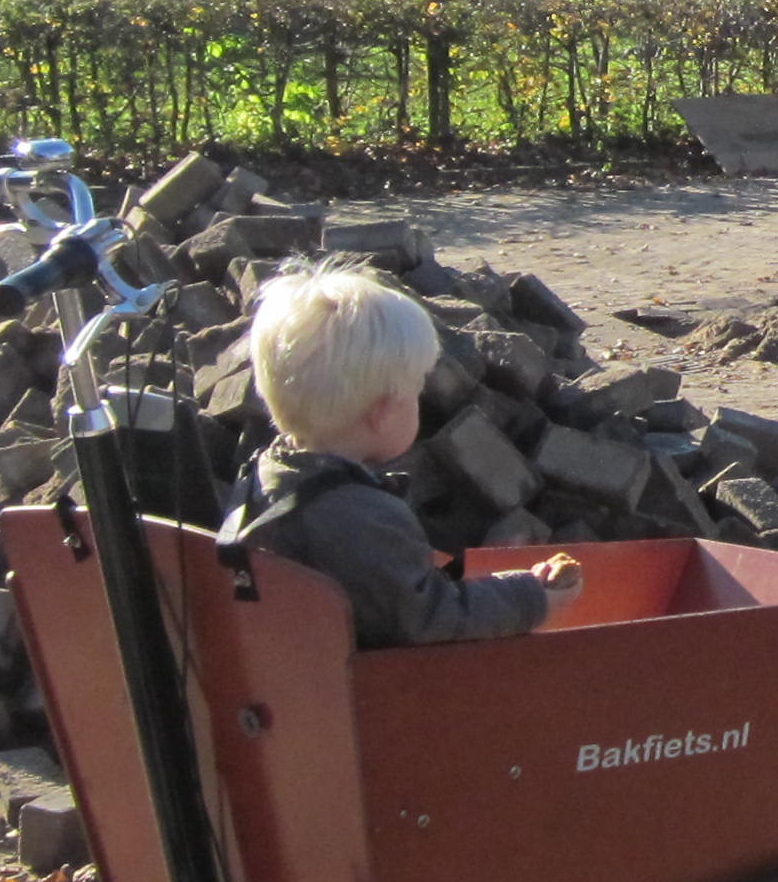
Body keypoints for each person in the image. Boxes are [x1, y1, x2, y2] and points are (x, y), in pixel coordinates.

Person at [220, 259, 584, 647]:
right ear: (381, 413)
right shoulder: (362, 515)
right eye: (415, 393)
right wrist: (532, 597)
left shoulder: (265, 478)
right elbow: (431, 617)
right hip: (368, 694)